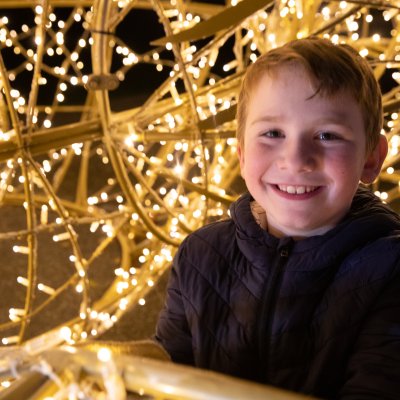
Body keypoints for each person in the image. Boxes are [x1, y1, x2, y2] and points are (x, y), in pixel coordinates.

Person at [155, 37, 400, 399]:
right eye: (272, 133)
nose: (296, 159)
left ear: (370, 158)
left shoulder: (390, 268)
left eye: (327, 135)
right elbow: (166, 371)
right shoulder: (200, 254)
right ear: (240, 153)